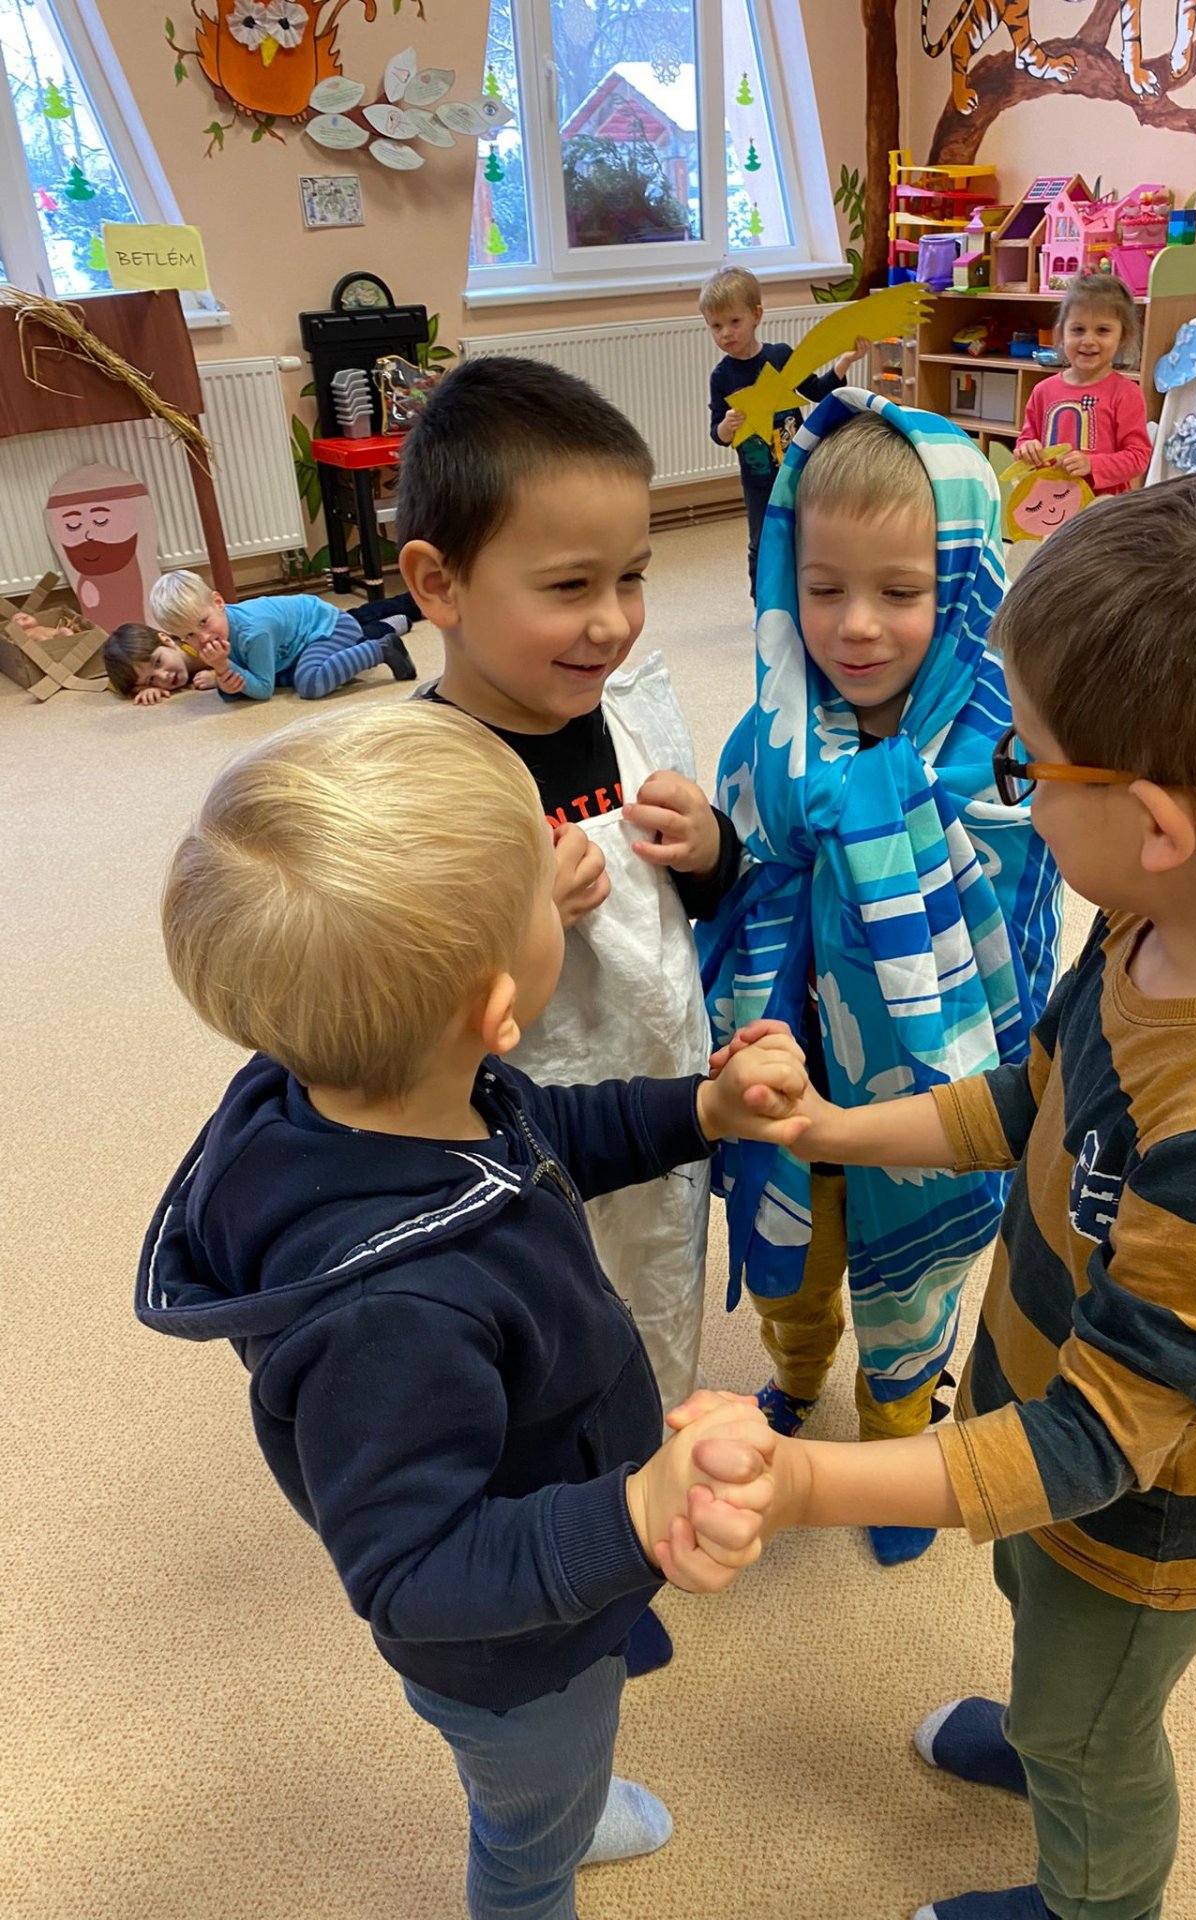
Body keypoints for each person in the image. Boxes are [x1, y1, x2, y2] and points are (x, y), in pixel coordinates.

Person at [683, 452, 1196, 1920]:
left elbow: (1098, 1445)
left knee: (1092, 1728)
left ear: (1156, 823)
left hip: (1144, 1514)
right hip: (1047, 1412)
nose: (1013, 795)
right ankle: (1047, 1722)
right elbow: (1034, 1100)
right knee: (1032, 1603)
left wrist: (806, 1487)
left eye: (1028, 769)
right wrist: (836, 1130)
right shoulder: (1152, 927)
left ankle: (1091, 1889)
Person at [134, 702, 802, 1920]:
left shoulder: (401, 1087)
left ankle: (566, 1796)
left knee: (569, 1748)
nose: (566, 869)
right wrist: (634, 1510)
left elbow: (547, 1134)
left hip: (554, 1535)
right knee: (529, 1813)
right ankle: (543, 1850)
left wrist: (696, 1112)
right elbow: (414, 1568)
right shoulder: (391, 1313)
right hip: (510, 1658)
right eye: (543, 882)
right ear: (499, 1009)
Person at [397, 355, 742, 1673]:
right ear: (439, 586)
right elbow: (381, 1014)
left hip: (650, 1105)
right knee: (544, 1348)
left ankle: (637, 1484)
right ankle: (566, 1549)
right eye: (568, 588)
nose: (612, 623)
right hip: (513, 1141)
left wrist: (708, 849)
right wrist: (510, 913)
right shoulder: (424, 782)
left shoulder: (626, 719)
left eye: (633, 577)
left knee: (650, 1304)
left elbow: (696, 911)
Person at [695, 392, 1062, 1567]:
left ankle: (901, 1437)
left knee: (916, 1288)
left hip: (924, 1097)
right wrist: (709, 853)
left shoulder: (1007, 749)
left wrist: (868, 829)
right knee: (792, 1267)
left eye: (900, 593)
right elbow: (738, 879)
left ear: (963, 583)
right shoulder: (771, 733)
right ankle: (797, 1372)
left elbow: (1017, 910)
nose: (855, 627)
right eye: (822, 588)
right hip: (788, 1071)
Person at [701, 264, 868, 599]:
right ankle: (763, 603)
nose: (726, 334)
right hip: (758, 477)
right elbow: (717, 434)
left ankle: (807, 594)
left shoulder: (779, 356)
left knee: (805, 532)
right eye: (716, 326)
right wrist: (726, 426)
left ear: (756, 315)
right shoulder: (721, 377)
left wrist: (845, 362)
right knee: (761, 540)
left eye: (734, 322)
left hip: (797, 467)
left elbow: (817, 391)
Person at [139, 570, 417, 703]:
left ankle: (382, 649)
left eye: (203, 622)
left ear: (219, 602)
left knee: (309, 683)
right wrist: (224, 677)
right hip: (296, 645)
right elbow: (236, 689)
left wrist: (222, 666)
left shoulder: (254, 632)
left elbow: (262, 690)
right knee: (277, 678)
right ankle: (392, 626)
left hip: (330, 626)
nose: (203, 637)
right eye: (189, 635)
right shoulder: (220, 630)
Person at [1015, 273, 1152, 496]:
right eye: (1078, 330)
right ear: (1060, 334)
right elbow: (1026, 440)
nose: (1088, 341)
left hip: (1102, 508)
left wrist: (1092, 465)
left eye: (1103, 330)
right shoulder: (1043, 391)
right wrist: (1026, 449)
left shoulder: (1126, 394)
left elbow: (1138, 457)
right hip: (1050, 502)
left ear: (1123, 336)